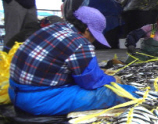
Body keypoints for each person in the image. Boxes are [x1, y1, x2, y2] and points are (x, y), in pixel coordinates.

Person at [9, 6, 138, 116]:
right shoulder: (79, 43)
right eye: (95, 36)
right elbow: (92, 83)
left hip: (16, 92)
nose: (93, 40)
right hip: (39, 100)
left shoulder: (53, 28)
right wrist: (113, 79)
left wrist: (99, 71)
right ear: (87, 30)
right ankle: (151, 98)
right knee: (115, 93)